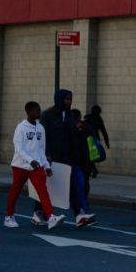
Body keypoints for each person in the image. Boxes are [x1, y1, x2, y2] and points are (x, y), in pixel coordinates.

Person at [5, 101, 64, 229]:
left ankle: (51, 217)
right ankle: (9, 216)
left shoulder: (41, 128)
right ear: (29, 112)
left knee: (43, 191)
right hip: (20, 166)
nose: (39, 112)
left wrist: (47, 167)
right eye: (37, 110)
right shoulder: (21, 127)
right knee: (15, 191)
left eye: (39, 110)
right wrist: (30, 160)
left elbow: (41, 150)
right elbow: (19, 148)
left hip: (36, 166)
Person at [36, 89, 75, 224]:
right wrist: (46, 154)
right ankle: (38, 213)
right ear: (59, 99)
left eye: (70, 99)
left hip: (65, 157)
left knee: (61, 186)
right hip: (50, 157)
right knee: (45, 186)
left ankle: (78, 213)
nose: (68, 101)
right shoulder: (47, 115)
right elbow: (42, 136)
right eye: (66, 99)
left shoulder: (70, 116)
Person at [69, 109, 97, 227]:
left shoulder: (84, 128)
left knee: (81, 186)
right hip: (80, 163)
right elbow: (92, 146)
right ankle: (81, 211)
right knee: (80, 187)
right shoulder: (77, 129)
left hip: (80, 163)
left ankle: (81, 211)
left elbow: (92, 145)